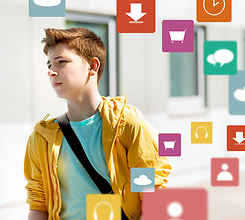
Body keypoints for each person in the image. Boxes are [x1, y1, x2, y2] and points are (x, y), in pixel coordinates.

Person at [24, 28, 171, 220]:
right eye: (49, 64)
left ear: (93, 66)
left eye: (62, 62)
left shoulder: (126, 124)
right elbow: (38, 205)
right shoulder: (42, 137)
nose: (51, 71)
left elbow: (152, 195)